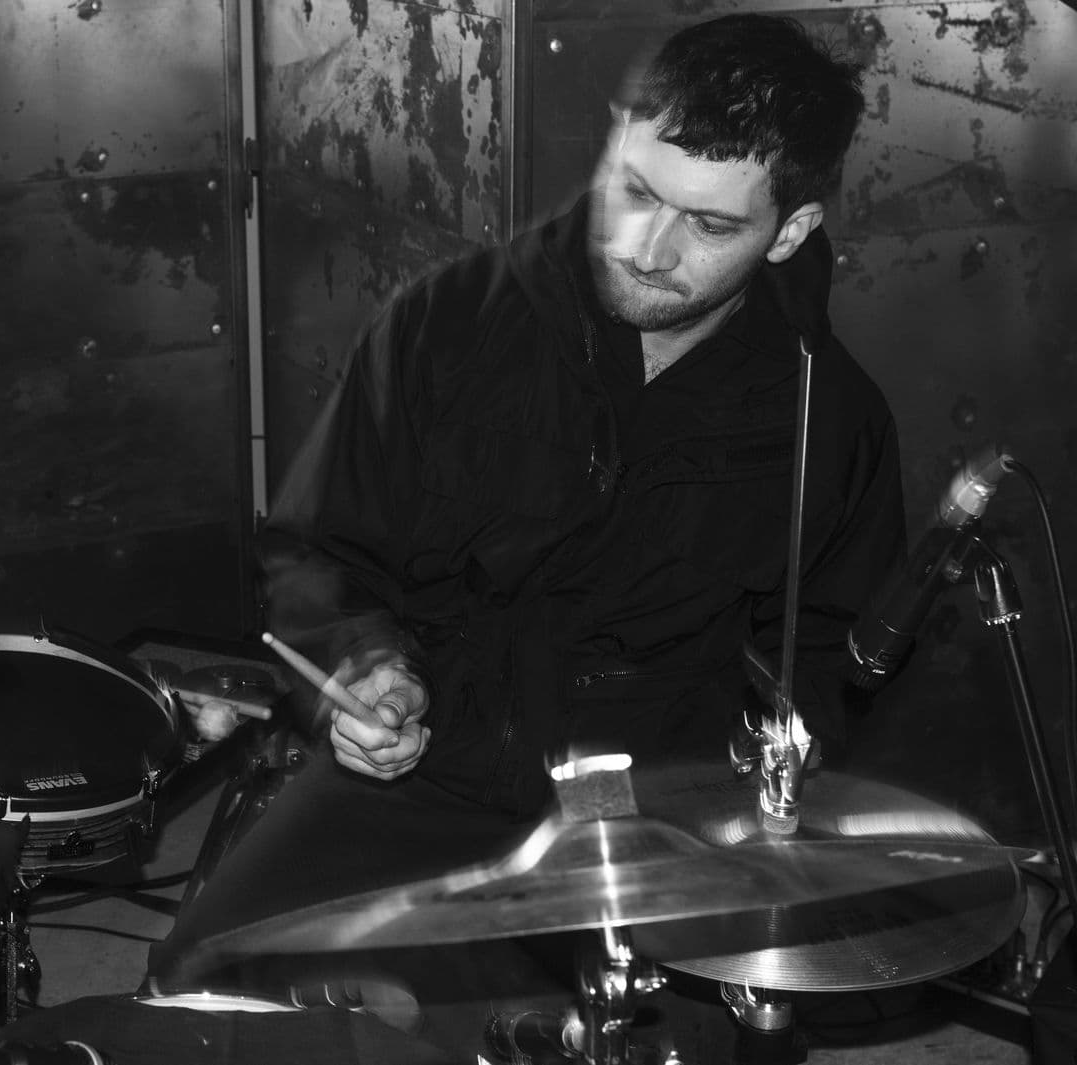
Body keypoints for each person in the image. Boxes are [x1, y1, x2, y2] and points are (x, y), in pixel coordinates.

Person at [145, 10, 910, 1058]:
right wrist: (364, 670)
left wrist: (768, 795)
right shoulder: (448, 320)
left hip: (668, 802)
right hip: (439, 760)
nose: (648, 247)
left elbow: (830, 651)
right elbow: (318, 552)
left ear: (787, 232)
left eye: (709, 225)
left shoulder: (835, 415)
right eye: (635, 191)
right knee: (201, 986)